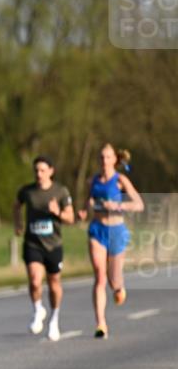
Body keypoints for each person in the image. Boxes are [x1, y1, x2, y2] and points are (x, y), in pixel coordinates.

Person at [79, 144, 144, 338]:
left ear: (115, 160)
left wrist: (117, 205)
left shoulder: (120, 180)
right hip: (97, 230)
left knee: (114, 280)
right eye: (101, 157)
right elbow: (86, 203)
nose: (104, 161)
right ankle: (101, 323)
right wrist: (84, 210)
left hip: (116, 230)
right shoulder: (93, 181)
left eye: (108, 157)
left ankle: (118, 288)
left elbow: (139, 204)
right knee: (99, 276)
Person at [13, 156, 75, 341]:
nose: (38, 174)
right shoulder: (27, 191)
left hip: (54, 244)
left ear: (51, 171)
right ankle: (38, 309)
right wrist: (18, 223)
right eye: (36, 171)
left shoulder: (60, 191)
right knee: (34, 280)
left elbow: (70, 218)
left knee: (54, 283)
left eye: (42, 170)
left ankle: (54, 319)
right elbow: (16, 206)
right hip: (33, 243)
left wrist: (57, 212)